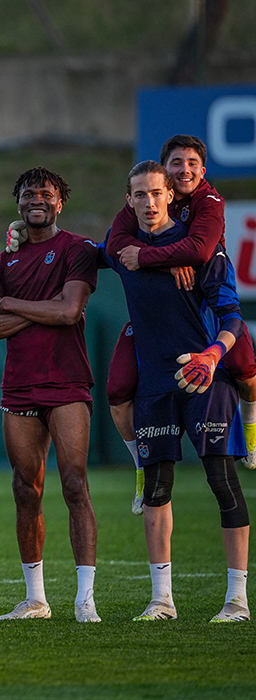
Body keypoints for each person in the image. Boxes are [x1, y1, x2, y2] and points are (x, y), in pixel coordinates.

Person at [101, 160, 249, 622]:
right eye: (139, 195)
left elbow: (233, 318)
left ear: (172, 197)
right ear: (129, 201)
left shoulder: (200, 251)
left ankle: (237, 600)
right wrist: (22, 233)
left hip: (206, 379)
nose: (149, 202)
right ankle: (161, 599)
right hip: (155, 385)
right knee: (156, 491)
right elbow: (78, 251)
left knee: (222, 482)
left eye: (156, 193)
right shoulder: (120, 251)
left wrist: (211, 356)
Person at [105, 135, 256, 514]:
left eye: (192, 163)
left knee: (242, 365)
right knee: (118, 388)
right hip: (151, 318)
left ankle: (251, 427)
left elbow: (200, 251)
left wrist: (154, 255)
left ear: (202, 172)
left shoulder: (209, 201)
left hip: (201, 303)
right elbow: (110, 247)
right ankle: (141, 464)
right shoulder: (143, 192)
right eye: (176, 163)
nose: (184, 169)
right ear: (165, 173)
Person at [0, 167, 101, 623]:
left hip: (67, 382)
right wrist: (39, 310)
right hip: (19, 385)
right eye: (28, 194)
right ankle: (35, 599)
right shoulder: (0, 262)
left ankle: (84, 599)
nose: (37, 200)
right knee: (25, 489)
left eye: (45, 194)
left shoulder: (77, 249)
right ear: (18, 203)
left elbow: (70, 311)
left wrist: (11, 304)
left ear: (59, 202)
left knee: (73, 483)